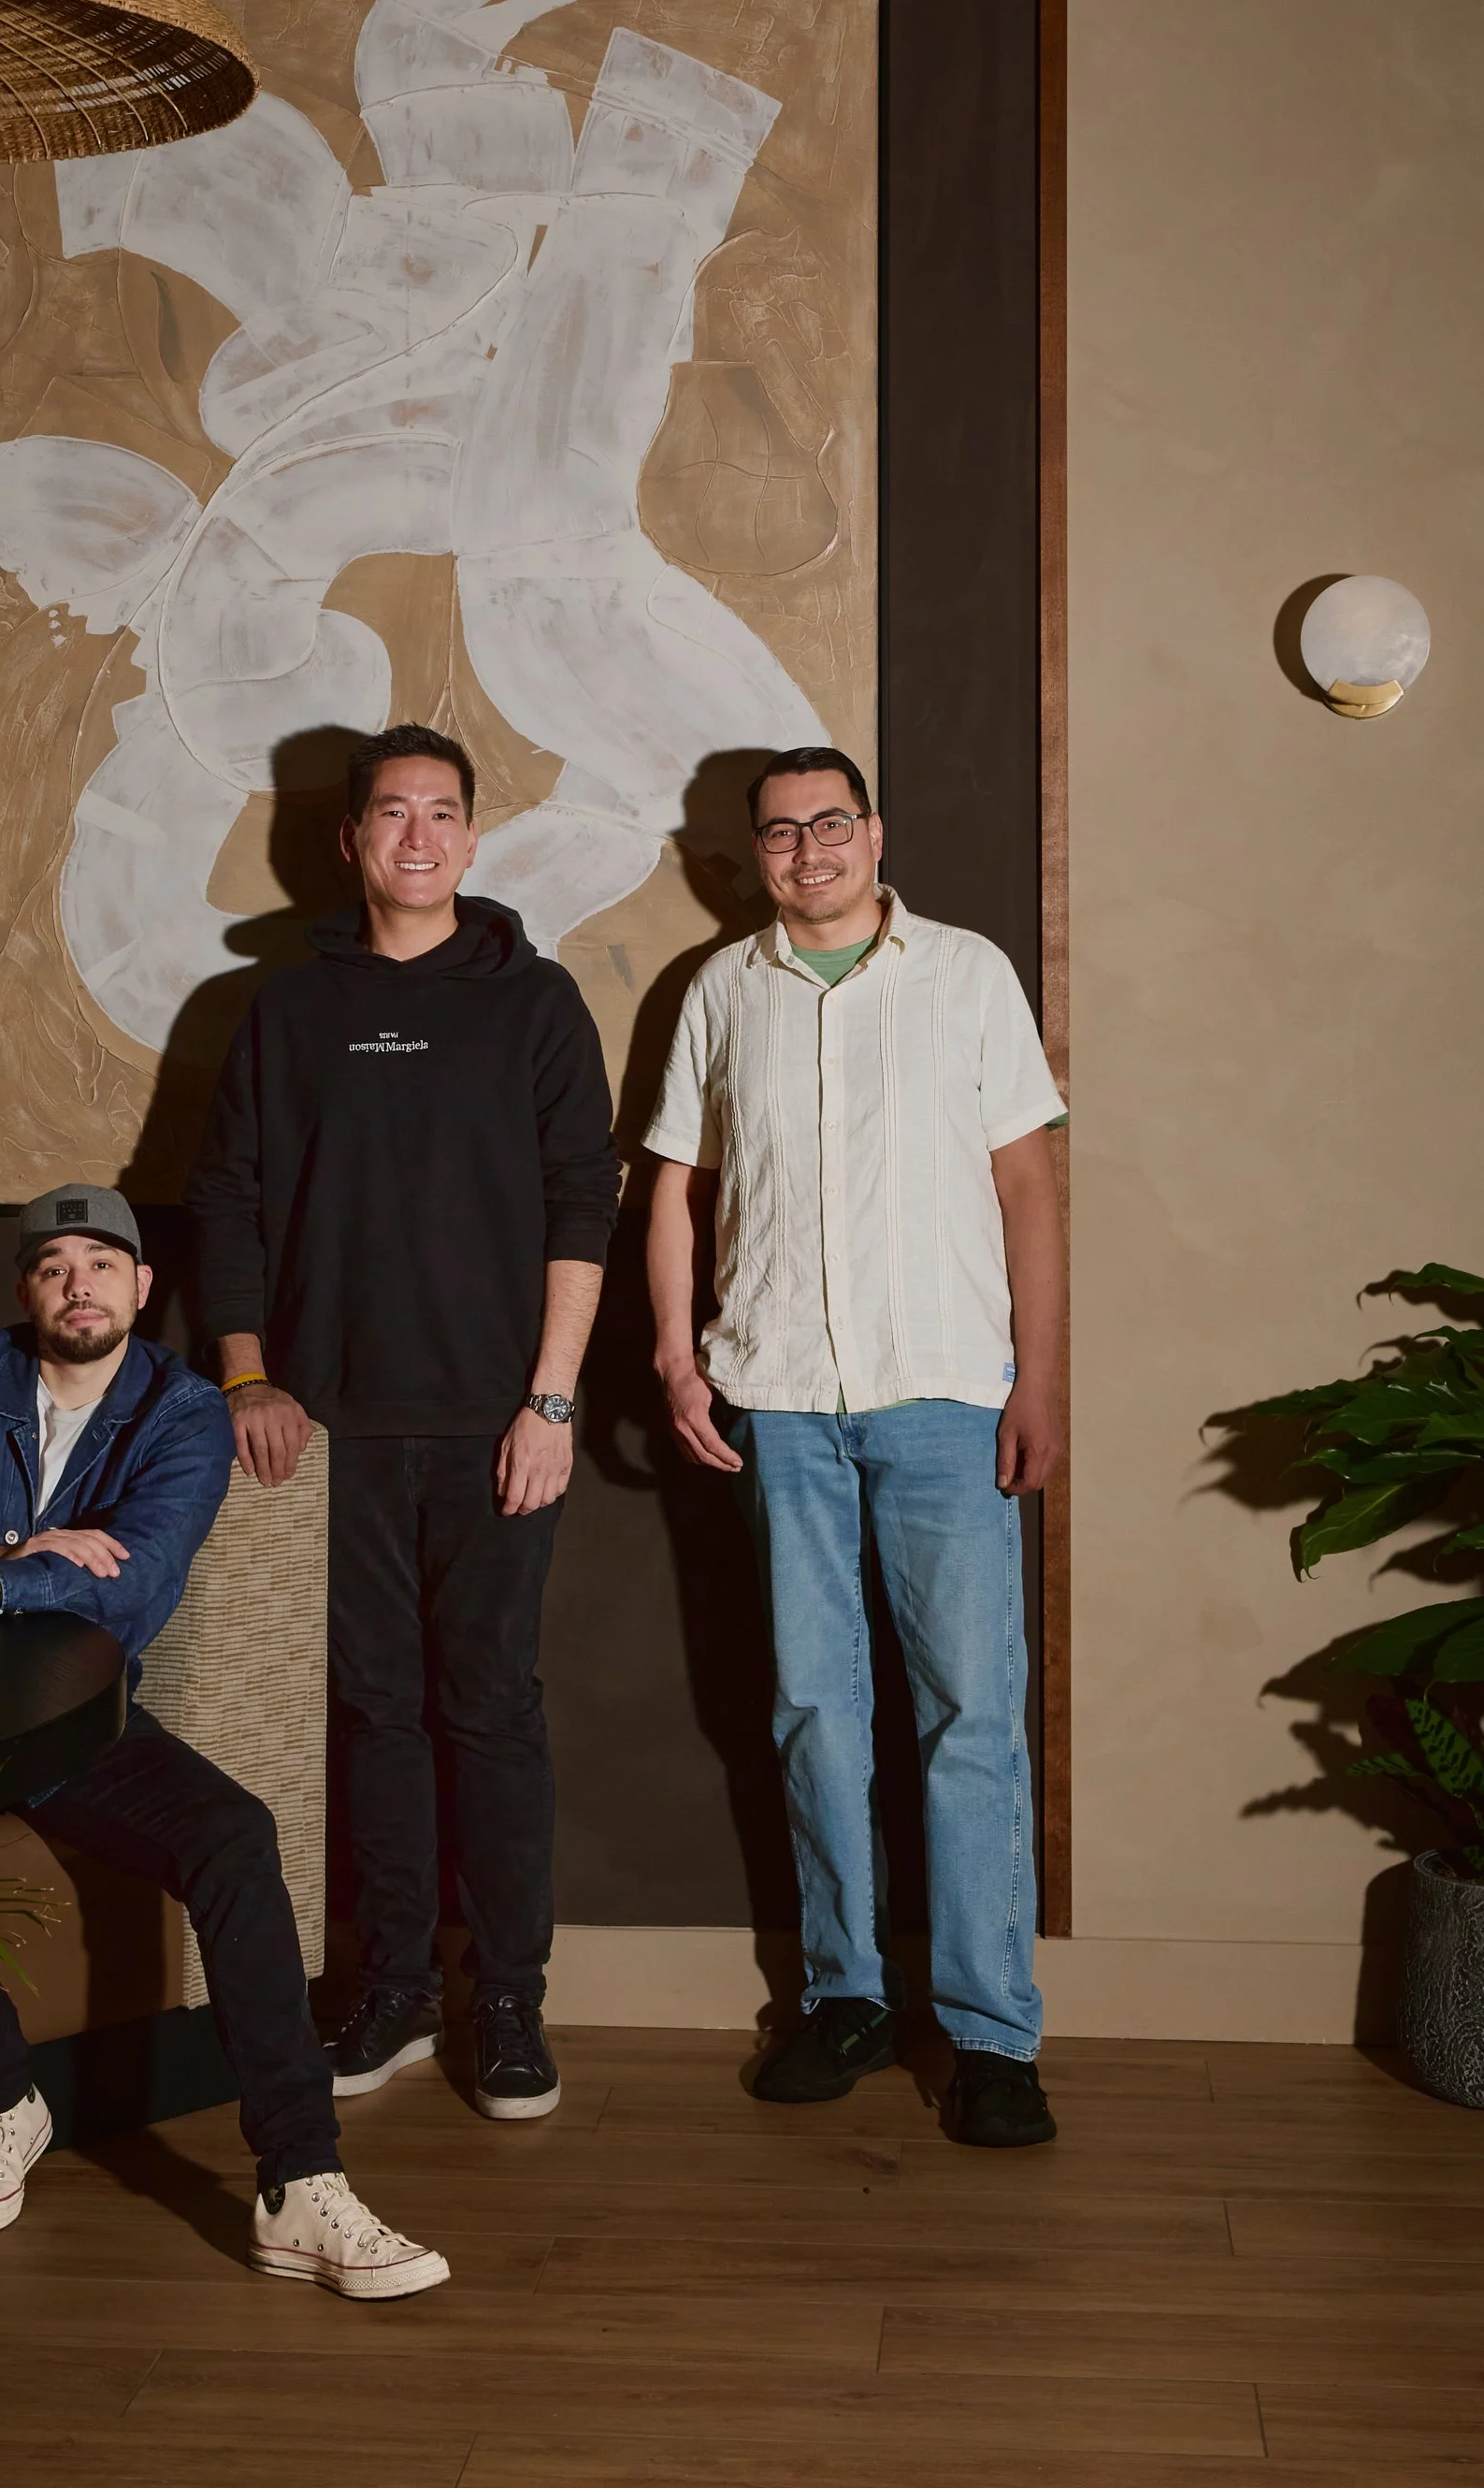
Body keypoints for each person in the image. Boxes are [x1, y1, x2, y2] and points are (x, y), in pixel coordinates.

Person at [0, 1181, 449, 2297]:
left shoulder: (181, 1412)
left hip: (69, 1719)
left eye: (101, 1263)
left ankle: (300, 2182)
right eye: (54, 1266)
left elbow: (134, 1581)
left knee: (233, 1834)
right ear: (25, 1289)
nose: (79, 1285)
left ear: (142, 1285)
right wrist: (1, 1558)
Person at [185, 725, 620, 2122]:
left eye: (442, 812)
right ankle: (393, 1988)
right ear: (351, 840)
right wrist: (248, 1377)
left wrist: (551, 1400)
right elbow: (230, 1199)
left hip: (501, 1422)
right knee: (373, 1713)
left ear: (472, 840)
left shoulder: (536, 1001)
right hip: (332, 1431)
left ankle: (508, 1999)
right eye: (392, 813)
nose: (418, 836)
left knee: (489, 1709)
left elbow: (583, 1202)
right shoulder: (285, 1010)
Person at [642, 745, 1068, 2148]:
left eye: (831, 823)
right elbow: (676, 1185)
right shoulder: (721, 990)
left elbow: (1027, 1181)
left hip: (942, 1392)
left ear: (874, 835)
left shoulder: (967, 973)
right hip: (778, 1401)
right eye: (780, 832)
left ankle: (991, 2035)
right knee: (813, 1709)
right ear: (752, 854)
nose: (808, 849)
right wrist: (675, 1354)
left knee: (969, 1716)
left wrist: (1041, 1378)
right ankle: (845, 1997)